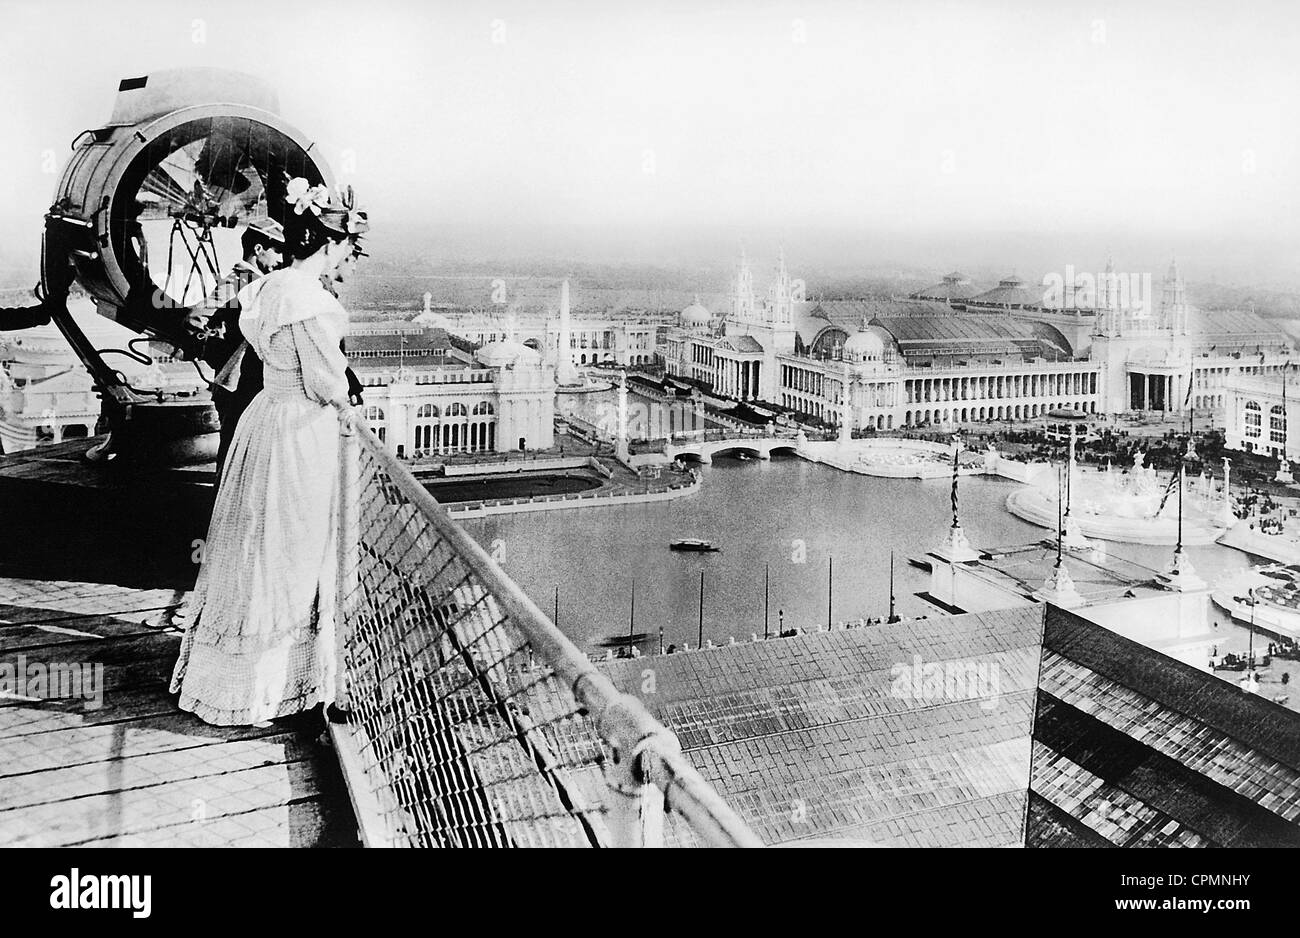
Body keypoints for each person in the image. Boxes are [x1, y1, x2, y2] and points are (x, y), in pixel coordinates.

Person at [169, 178, 368, 727]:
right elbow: (326, 381)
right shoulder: (310, 301)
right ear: (328, 245)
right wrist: (348, 400)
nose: (344, 265)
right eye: (345, 252)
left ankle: (242, 675)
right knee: (292, 551)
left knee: (255, 544)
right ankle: (275, 687)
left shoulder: (271, 287)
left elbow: (265, 349)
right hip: (300, 431)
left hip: (265, 418)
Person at [187, 218, 287, 479]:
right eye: (276, 250)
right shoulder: (240, 281)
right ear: (258, 249)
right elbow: (195, 320)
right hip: (235, 384)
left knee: (243, 455)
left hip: (245, 383)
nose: (280, 257)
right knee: (232, 454)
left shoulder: (254, 281)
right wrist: (220, 356)